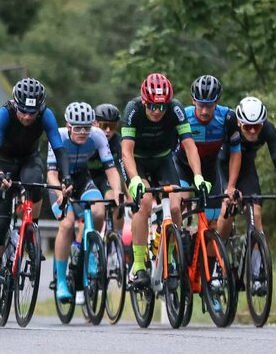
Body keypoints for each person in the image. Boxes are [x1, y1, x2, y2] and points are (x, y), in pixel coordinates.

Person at [0, 78, 67, 312]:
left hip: (29, 159)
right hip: (3, 161)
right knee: (0, 224)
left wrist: (66, 178)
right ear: (15, 104)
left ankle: (32, 231)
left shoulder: (46, 115)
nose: (28, 117)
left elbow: (58, 147)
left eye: (33, 113)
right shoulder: (5, 114)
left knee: (35, 184)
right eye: (23, 112)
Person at [121, 72, 207, 288]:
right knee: (145, 203)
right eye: (152, 106)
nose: (157, 111)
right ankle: (139, 265)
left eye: (162, 107)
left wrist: (198, 176)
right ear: (144, 101)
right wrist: (134, 180)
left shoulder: (175, 109)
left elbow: (189, 146)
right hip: (137, 162)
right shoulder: (133, 110)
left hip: (162, 160)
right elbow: (126, 151)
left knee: (177, 207)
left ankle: (169, 256)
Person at [47, 102, 123, 305]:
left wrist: (116, 191)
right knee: (67, 223)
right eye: (77, 128)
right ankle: (62, 281)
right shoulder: (59, 136)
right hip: (59, 182)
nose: (82, 132)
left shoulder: (97, 136)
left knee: (99, 210)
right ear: (68, 126)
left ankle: (91, 252)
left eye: (87, 128)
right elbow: (52, 174)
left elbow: (111, 169)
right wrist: (59, 192)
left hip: (81, 178)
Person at [216, 96, 276, 266]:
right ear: (239, 123)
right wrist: (228, 189)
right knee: (226, 210)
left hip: (247, 169)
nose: (252, 131)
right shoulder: (228, 128)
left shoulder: (268, 130)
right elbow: (220, 162)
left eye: (256, 126)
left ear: (262, 124)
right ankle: (217, 258)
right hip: (223, 168)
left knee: (256, 214)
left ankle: (256, 270)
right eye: (247, 127)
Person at [179, 74, 230, 222]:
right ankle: (171, 238)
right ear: (193, 100)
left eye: (210, 105)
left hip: (210, 168)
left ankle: (201, 242)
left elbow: (235, 151)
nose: (205, 111)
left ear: (217, 101)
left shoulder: (226, 117)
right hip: (183, 166)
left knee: (212, 221)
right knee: (181, 201)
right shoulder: (183, 116)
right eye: (201, 104)